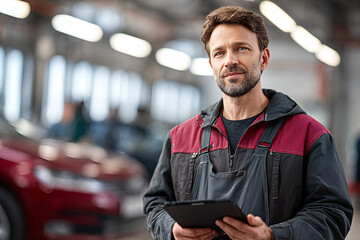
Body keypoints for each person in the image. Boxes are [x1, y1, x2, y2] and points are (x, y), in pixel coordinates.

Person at [143, 6, 353, 240]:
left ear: (263, 58)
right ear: (211, 63)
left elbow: (333, 214)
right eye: (219, 53)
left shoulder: (309, 135)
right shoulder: (180, 137)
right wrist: (171, 228)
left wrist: (274, 236)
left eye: (241, 48)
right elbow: (155, 204)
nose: (230, 60)